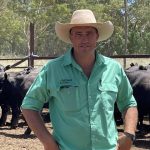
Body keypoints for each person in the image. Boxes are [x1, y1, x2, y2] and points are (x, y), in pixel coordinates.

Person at [21, 9, 138, 150]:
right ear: (71, 37)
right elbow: (29, 106)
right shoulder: (53, 69)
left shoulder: (114, 69)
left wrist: (129, 134)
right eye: (78, 34)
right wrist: (48, 143)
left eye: (89, 33)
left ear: (97, 36)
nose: (84, 39)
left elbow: (128, 103)